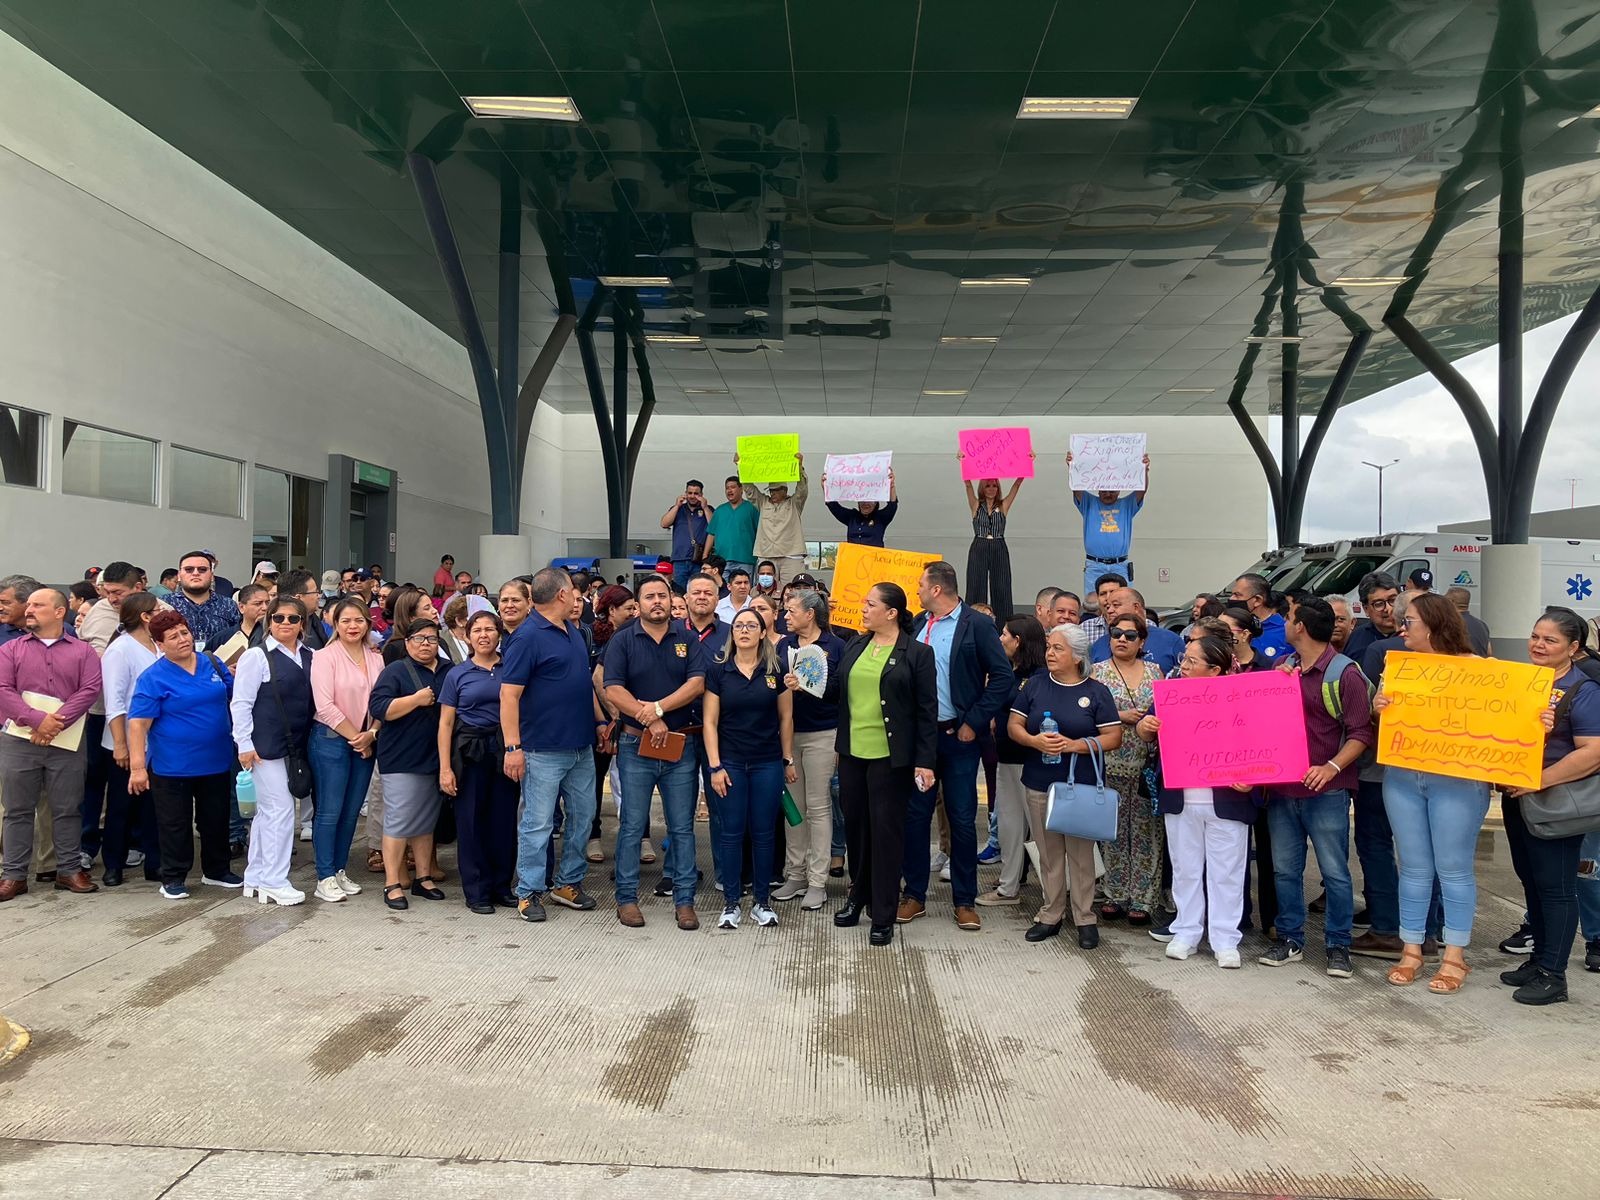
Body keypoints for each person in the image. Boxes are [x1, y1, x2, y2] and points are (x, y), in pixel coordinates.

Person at [1370, 593, 1488, 992]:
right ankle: (1411, 950)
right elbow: (1385, 721)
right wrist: (1379, 706)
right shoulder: (1399, 668)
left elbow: (1505, 720)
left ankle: (1455, 956)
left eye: (1409, 622)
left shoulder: (1478, 670)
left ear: (1434, 626)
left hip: (1457, 780)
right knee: (1414, 867)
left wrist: (1538, 719)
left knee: (1453, 868)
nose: (1401, 628)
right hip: (1403, 776)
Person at [1258, 596, 1374, 979]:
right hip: (1284, 791)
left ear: (1301, 627)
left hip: (1328, 791)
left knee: (1335, 872)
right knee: (1285, 872)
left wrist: (1331, 767)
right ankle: (1290, 938)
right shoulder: (1283, 667)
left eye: (1289, 618)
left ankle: (1338, 944)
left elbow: (1361, 733)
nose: (1284, 624)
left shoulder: (1345, 674)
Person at [901, 562, 1015, 932]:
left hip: (959, 738)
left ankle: (964, 900)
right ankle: (914, 894)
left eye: (921, 584)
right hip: (921, 739)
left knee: (963, 818)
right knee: (916, 817)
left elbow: (1002, 677)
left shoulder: (977, 625)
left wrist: (974, 722)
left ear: (937, 589)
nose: (917, 590)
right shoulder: (918, 624)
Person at [1139, 634, 1261, 968]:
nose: (1184, 666)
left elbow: (1260, 742)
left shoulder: (1241, 697)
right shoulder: (1171, 694)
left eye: (1192, 661)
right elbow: (1144, 731)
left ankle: (1225, 939)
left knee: (1227, 872)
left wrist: (1252, 776)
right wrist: (1146, 726)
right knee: (1185, 868)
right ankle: (1186, 932)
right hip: (1182, 797)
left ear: (1215, 669)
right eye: (1184, 659)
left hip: (1228, 798)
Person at [824, 583, 937, 945]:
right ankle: (858, 896)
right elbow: (837, 690)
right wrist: (807, 681)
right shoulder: (856, 644)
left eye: (870, 604)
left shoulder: (917, 653)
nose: (863, 608)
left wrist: (925, 761)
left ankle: (883, 911)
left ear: (891, 613)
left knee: (886, 833)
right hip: (852, 753)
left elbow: (927, 712)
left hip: (891, 757)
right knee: (856, 828)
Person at [1498, 607, 1600, 1005]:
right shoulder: (1523, 682)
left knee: (1556, 889)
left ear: (1573, 648)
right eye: (1535, 636)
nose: (1538, 645)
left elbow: (1592, 752)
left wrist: (1538, 780)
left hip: (1555, 804)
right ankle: (1539, 959)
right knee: (1532, 881)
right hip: (1517, 799)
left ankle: (1554, 976)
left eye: (1550, 640)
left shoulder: (1584, 690)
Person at [602, 575, 707, 931]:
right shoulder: (623, 639)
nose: (657, 601)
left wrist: (658, 709)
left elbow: (696, 683)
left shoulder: (686, 638)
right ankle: (626, 899)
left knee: (682, 827)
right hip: (635, 746)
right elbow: (613, 688)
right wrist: (647, 718)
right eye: (649, 597)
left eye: (662, 595)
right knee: (632, 825)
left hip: (680, 746)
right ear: (639, 604)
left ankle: (685, 901)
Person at [1007, 623, 1122, 946]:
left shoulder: (1096, 692)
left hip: (1080, 785)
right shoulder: (1035, 685)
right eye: (1049, 647)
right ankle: (1051, 913)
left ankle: (1085, 917)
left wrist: (1074, 746)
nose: (1050, 653)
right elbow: (1014, 724)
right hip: (1039, 781)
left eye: (1058, 648)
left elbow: (1113, 736)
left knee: (1081, 855)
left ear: (1077, 656)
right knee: (1048, 852)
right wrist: (1033, 741)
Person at [500, 568, 601, 923]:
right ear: (561, 594)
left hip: (580, 746)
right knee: (538, 823)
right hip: (541, 749)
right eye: (573, 590)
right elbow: (509, 696)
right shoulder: (527, 637)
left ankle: (567, 882)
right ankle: (528, 891)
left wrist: (600, 722)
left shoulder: (573, 631)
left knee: (583, 816)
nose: (578, 596)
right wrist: (513, 748)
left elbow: (583, 684)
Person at [0, 587, 104, 900]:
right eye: (28, 605)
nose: (29, 610)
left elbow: (90, 689)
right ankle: (14, 875)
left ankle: (68, 870)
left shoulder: (83, 652)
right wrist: (37, 721)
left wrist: (55, 723)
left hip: (66, 742)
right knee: (17, 810)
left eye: (38, 605)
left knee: (67, 808)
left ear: (59, 612)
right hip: (20, 740)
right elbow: (3, 689)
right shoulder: (11, 650)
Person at [127, 610, 239, 898]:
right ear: (160, 644)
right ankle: (174, 877)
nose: (182, 639)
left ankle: (217, 870)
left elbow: (233, 696)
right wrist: (137, 768)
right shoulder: (153, 678)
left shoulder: (212, 663)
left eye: (184, 633)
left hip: (216, 760)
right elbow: (138, 725)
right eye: (173, 636)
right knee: (175, 824)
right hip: (172, 766)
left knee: (216, 819)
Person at [703, 607, 796, 929]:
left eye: (751, 626)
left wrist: (787, 759)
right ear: (732, 633)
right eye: (739, 625)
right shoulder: (719, 670)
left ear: (762, 632)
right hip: (729, 763)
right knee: (731, 833)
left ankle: (761, 902)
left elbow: (786, 717)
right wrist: (715, 766)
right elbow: (710, 722)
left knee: (764, 833)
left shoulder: (776, 670)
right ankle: (731, 903)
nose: (744, 630)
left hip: (767, 763)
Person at [230, 594, 316, 907]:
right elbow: (241, 703)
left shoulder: (310, 655)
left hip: (296, 745)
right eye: (278, 617)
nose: (285, 623)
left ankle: (256, 876)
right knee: (279, 812)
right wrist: (244, 743)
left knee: (269, 814)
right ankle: (274, 880)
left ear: (302, 623)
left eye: (293, 618)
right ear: (269, 621)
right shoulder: (256, 657)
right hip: (264, 747)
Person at [437, 610, 519, 915]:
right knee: (471, 822)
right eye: (477, 630)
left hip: (504, 750)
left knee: (503, 820)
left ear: (499, 634)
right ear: (467, 636)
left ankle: (501, 886)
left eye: (489, 629)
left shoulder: (511, 668)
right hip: (469, 753)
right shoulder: (457, 674)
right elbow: (445, 724)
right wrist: (445, 768)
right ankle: (477, 890)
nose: (484, 635)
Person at [369, 618, 449, 911]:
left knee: (426, 821)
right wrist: (415, 699)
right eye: (419, 638)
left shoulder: (448, 670)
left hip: (435, 757)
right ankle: (392, 883)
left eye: (431, 638)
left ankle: (423, 878)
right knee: (399, 820)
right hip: (401, 757)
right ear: (407, 642)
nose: (425, 643)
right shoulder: (396, 671)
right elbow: (379, 708)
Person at [1090, 612, 1164, 923]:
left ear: (1141, 641)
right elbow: (1087, 714)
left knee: (1148, 832)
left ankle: (1144, 899)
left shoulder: (1156, 672)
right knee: (1113, 831)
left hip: (1146, 764)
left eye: (1130, 635)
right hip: (1110, 763)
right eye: (1116, 633)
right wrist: (1121, 716)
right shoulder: (1096, 673)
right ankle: (1115, 892)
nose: (1122, 639)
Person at [774, 590, 845, 909]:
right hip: (789, 735)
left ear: (810, 614)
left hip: (823, 734)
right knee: (794, 808)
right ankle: (795, 874)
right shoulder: (783, 645)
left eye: (791, 611)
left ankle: (817, 881)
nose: (786, 616)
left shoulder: (836, 646)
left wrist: (806, 685)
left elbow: (840, 690)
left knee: (818, 807)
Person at [308, 597, 382, 903]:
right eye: (346, 621)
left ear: (368, 623)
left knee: (351, 812)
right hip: (331, 739)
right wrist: (357, 738)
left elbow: (381, 700)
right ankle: (324, 875)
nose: (353, 626)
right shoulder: (324, 657)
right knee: (330, 810)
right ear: (335, 624)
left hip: (365, 739)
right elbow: (324, 705)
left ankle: (339, 869)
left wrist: (371, 733)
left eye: (359, 620)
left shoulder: (375, 657)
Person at [978, 615, 1046, 909]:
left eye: (1004, 634)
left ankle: (1054, 893)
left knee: (1042, 832)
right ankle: (1008, 887)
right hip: (1006, 759)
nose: (1000, 639)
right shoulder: (1008, 671)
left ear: (1018, 641)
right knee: (1009, 826)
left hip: (1031, 762)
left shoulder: (1041, 677)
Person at [98, 594, 162, 885]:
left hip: (157, 742)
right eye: (157, 611)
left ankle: (155, 863)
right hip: (124, 740)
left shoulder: (159, 645)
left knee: (154, 808)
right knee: (121, 807)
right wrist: (121, 745)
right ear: (145, 616)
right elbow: (114, 702)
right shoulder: (120, 650)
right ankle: (113, 864)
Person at [1068, 450, 1149, 594]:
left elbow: (1141, 490)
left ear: (1119, 490)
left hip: (1120, 565)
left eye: (1112, 491)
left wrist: (1144, 470)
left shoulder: (1127, 505)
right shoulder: (1088, 503)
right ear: (1098, 490)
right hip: (1095, 565)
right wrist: (1072, 466)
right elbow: (1077, 487)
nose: (1107, 494)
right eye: (1104, 490)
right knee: (1093, 602)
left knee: (1123, 600)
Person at [961, 473, 1025, 623]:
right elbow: (968, 485)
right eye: (988, 486)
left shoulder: (1003, 505)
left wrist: (1024, 468)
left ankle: (1003, 625)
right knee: (975, 584)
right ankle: (973, 622)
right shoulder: (976, 505)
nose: (991, 489)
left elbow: (1016, 486)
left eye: (994, 486)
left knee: (1001, 585)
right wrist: (964, 464)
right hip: (979, 545)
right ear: (982, 489)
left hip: (998, 545)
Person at [740, 452, 809, 588]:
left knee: (793, 590)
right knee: (766, 591)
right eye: (771, 490)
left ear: (785, 490)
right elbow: (749, 490)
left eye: (776, 490)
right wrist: (740, 466)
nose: (773, 493)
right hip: (766, 554)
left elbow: (802, 489)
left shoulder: (794, 503)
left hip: (791, 555)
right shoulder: (763, 502)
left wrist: (800, 467)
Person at [1090, 588, 1183, 675]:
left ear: (1136, 607)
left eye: (1116, 605)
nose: (1109, 611)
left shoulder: (1171, 641)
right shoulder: (1099, 644)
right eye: (1108, 607)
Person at [167, 550, 242, 652]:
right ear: (179, 576)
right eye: (189, 569)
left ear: (211, 575)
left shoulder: (228, 605)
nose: (196, 573)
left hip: (218, 661)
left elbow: (239, 639)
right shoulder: (165, 604)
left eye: (202, 570)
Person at [704, 474, 761, 579]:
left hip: (745, 560)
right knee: (722, 588)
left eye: (733, 487)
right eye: (727, 488)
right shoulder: (720, 510)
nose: (729, 490)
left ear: (741, 489)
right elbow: (711, 534)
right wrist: (705, 555)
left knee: (742, 587)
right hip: (722, 560)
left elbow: (760, 532)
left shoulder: (751, 508)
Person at [823, 468, 899, 546]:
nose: (865, 504)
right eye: (862, 501)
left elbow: (892, 505)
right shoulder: (852, 517)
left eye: (870, 501)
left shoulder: (881, 517)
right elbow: (833, 506)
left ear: (876, 503)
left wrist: (891, 485)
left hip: (873, 554)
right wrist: (826, 486)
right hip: (853, 554)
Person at [661, 480, 713, 584]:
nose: (692, 496)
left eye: (696, 493)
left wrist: (705, 507)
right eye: (690, 493)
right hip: (679, 559)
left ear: (701, 495)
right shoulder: (678, 509)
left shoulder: (708, 509)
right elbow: (664, 523)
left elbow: (714, 527)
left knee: (698, 589)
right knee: (679, 590)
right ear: (685, 493)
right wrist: (677, 506)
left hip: (699, 560)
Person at [1228, 573, 1288, 662]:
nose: (1231, 598)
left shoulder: (1285, 631)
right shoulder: (1229, 625)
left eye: (1237, 595)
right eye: (1232, 594)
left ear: (1257, 600)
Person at [1343, 572, 1401, 662]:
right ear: (1366, 609)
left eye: (1393, 600)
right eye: (1379, 604)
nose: (1388, 608)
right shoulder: (1357, 638)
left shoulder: (1415, 634)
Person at [216, 584, 270, 666]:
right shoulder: (223, 638)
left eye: (268, 603)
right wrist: (224, 670)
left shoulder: (276, 635)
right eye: (258, 604)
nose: (265, 608)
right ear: (241, 607)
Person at [1079, 574, 1125, 646]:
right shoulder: (1084, 628)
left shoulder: (1141, 626)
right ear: (1098, 598)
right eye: (1103, 594)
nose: (1108, 598)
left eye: (1113, 592)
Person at [1446, 586, 1493, 655]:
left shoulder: (1447, 624)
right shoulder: (1482, 625)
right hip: (1479, 661)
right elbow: (1489, 652)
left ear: (1451, 601)